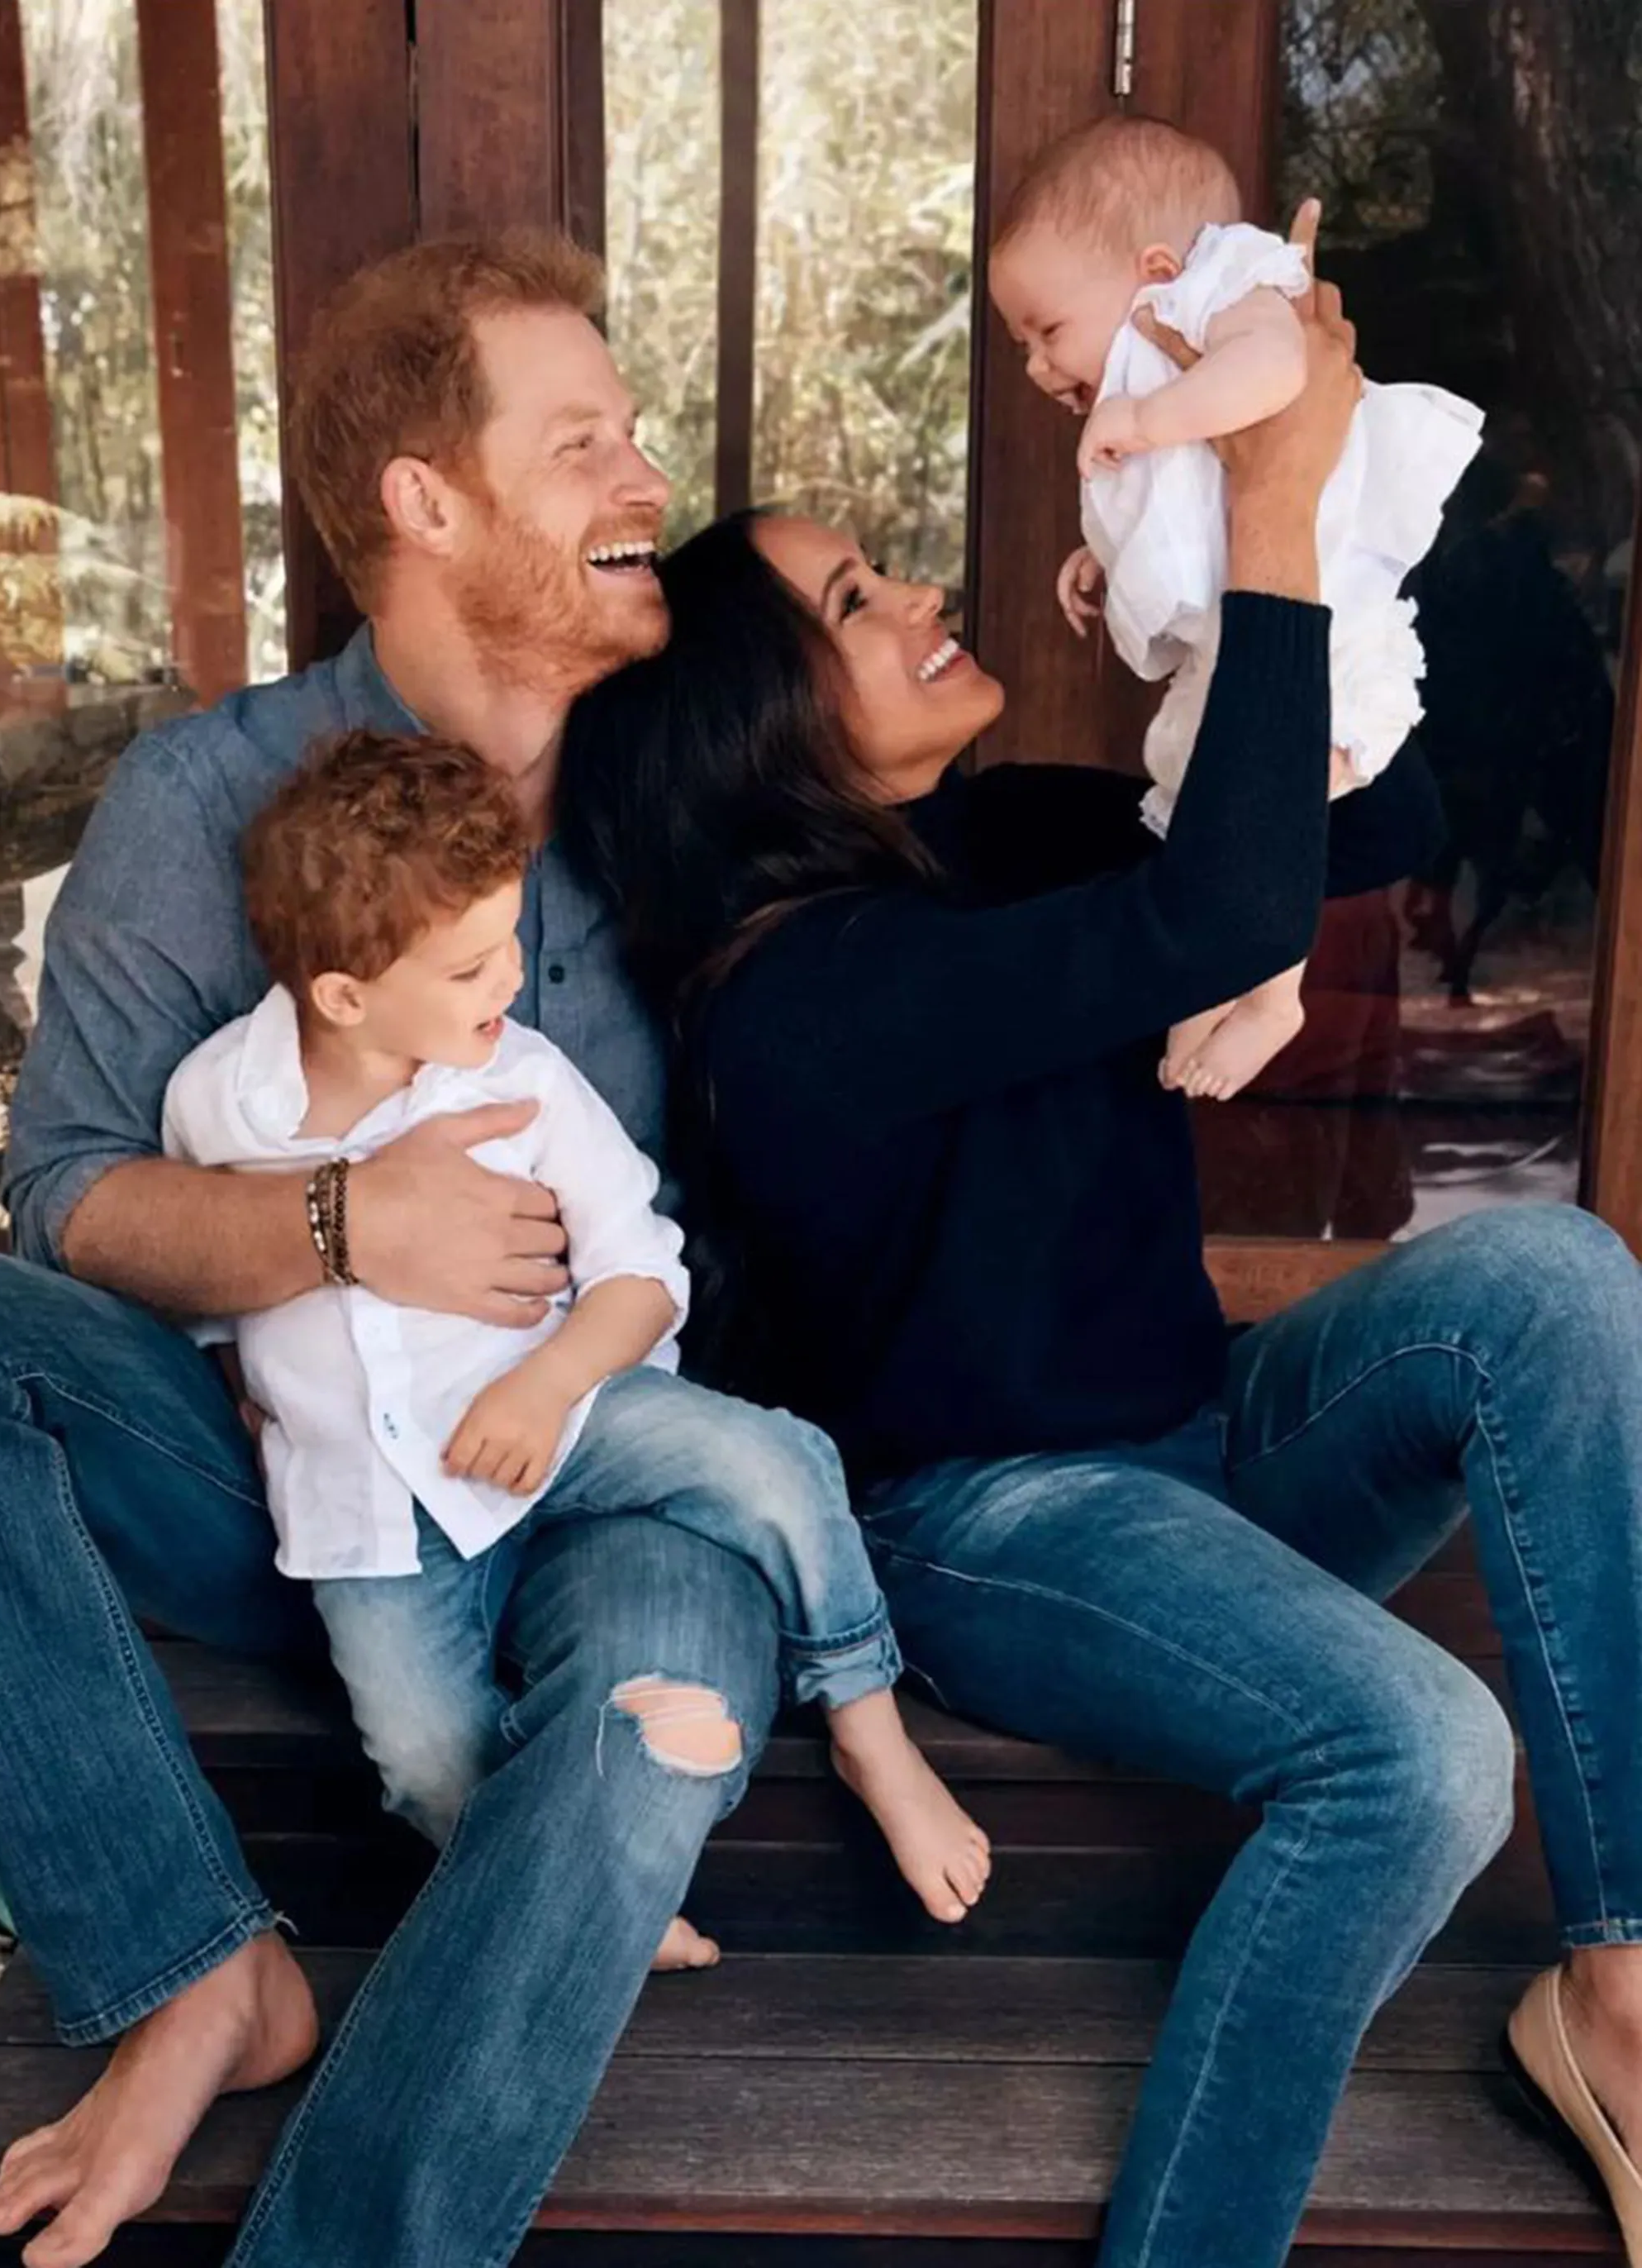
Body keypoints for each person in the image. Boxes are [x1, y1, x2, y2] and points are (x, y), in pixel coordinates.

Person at [559, 255, 1642, 2267]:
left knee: (1556, 1284)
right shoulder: (786, 1000)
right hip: (995, 1524)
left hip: (1210, 1443)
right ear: (746, 723)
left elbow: (1366, 812)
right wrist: (1263, 501)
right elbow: (1210, 919)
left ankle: (1620, 1985)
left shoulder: (1010, 836)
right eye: (848, 607)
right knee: (1415, 1756)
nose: (911, 600)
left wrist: (1211, 654)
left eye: (880, 569)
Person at [0, 229, 795, 2268]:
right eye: (583, 440)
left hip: (607, 1471)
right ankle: (189, 1968)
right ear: (426, 505)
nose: (643, 483)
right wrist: (347, 1224)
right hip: (294, 1491)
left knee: (641, 1740)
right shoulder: (208, 798)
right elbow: (68, 1195)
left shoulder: (674, 786)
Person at [164, 727, 988, 1928]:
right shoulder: (217, 1102)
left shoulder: (526, 1081)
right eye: (468, 967)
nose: (508, 980)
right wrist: (246, 1382)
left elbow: (645, 1275)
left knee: (778, 1464)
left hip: (570, 1406)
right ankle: (574, 1885)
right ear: (344, 994)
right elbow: (207, 1277)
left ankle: (870, 1726)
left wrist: (546, 1386)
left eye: (510, 940)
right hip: (373, 1508)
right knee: (419, 1752)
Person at [987, 116, 1482, 1099]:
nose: (1040, 368)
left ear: (1157, 268)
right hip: (1248, 627)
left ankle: (1270, 992)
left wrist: (1144, 416)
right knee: (1198, 792)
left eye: (1047, 331)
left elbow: (1274, 375)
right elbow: (1190, 508)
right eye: (1021, 347)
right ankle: (1218, 976)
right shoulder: (1161, 367)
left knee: (1268, 799)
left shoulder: (1231, 290)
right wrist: (1102, 556)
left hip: (1326, 621)